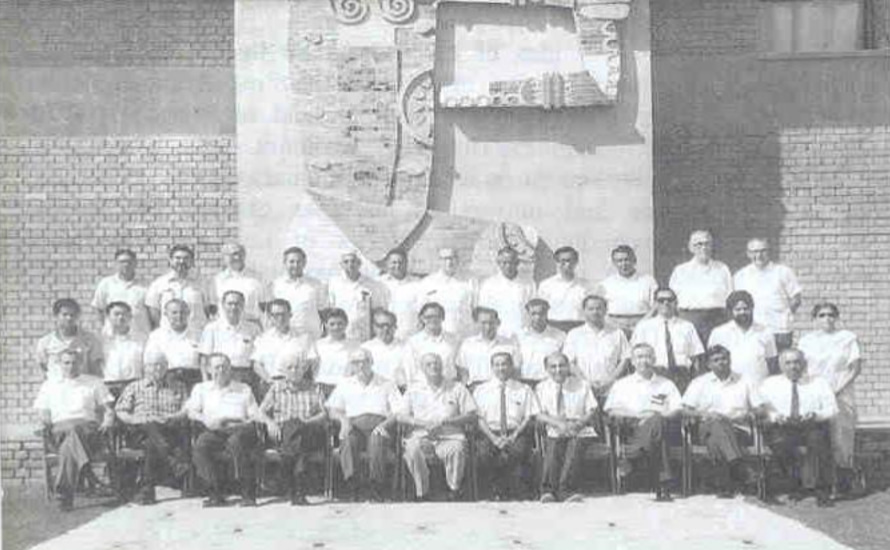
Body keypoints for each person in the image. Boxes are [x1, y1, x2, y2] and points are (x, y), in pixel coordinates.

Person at [33, 349, 115, 511]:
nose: (71, 366)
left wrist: (108, 419)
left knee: (70, 441)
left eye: (74, 362)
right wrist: (45, 422)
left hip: (88, 430)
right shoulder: (50, 385)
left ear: (81, 363)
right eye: (66, 362)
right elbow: (43, 412)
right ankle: (88, 474)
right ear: (59, 364)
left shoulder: (94, 382)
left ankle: (64, 496)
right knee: (70, 432)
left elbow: (108, 409)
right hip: (59, 430)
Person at [754, 349, 838, 506]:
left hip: (811, 425)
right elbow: (760, 408)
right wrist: (774, 416)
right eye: (788, 363)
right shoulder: (769, 384)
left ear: (804, 364)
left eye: (797, 362)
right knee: (780, 443)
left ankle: (821, 491)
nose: (793, 366)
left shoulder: (819, 383)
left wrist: (816, 414)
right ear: (781, 366)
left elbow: (832, 409)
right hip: (782, 426)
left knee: (818, 441)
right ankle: (793, 487)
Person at [798, 302, 862, 495]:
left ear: (837, 317)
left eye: (831, 315)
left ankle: (844, 480)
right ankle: (820, 483)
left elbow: (855, 368)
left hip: (841, 393)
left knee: (841, 437)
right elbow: (801, 369)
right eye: (822, 315)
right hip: (816, 394)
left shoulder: (847, 338)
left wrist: (837, 389)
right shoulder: (806, 341)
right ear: (814, 319)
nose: (827, 319)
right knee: (819, 436)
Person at [604, 343, 682, 502]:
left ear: (654, 359)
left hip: (663, 425)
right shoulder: (622, 384)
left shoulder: (666, 384)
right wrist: (638, 416)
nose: (644, 361)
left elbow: (677, 408)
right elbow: (611, 410)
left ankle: (632, 457)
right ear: (632, 361)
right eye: (639, 357)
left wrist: (658, 416)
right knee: (658, 433)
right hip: (632, 428)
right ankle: (663, 485)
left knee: (657, 422)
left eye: (647, 356)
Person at [398, 353, 478, 501]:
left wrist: (448, 422)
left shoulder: (457, 388)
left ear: (442, 366)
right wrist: (423, 424)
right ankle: (422, 492)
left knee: (457, 449)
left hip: (449, 435)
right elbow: (401, 416)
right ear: (422, 369)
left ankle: (454, 490)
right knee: (412, 449)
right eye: (429, 364)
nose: (434, 366)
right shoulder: (414, 389)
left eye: (437, 363)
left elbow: (472, 414)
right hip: (421, 434)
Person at [187, 353, 263, 507]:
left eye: (224, 367)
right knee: (201, 445)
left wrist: (246, 422)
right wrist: (206, 420)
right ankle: (215, 493)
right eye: (216, 367)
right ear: (209, 369)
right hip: (215, 429)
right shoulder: (201, 388)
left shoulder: (243, 388)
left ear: (231, 369)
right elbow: (192, 412)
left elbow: (254, 413)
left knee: (236, 442)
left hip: (240, 428)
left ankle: (248, 495)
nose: (220, 370)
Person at [326, 349, 402, 501]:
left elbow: (398, 412)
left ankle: (376, 487)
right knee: (347, 439)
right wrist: (343, 421)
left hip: (380, 424)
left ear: (371, 362)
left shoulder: (386, 383)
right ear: (351, 365)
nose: (361, 365)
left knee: (377, 438)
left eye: (364, 361)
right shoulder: (345, 384)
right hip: (353, 425)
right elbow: (332, 410)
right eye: (356, 362)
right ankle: (352, 485)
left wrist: (385, 425)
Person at [114, 353, 190, 505]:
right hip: (139, 430)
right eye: (153, 365)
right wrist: (135, 420)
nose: (157, 368)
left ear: (167, 367)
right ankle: (173, 462)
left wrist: (173, 417)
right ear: (145, 368)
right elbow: (121, 410)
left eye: (161, 365)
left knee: (151, 444)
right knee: (150, 426)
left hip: (168, 428)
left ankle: (147, 492)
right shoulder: (134, 387)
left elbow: (187, 409)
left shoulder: (179, 387)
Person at [682, 345, 756, 497]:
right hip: (706, 427)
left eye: (724, 359)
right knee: (716, 422)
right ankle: (739, 466)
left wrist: (746, 414)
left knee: (715, 441)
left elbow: (759, 408)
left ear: (730, 360)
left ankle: (725, 484)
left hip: (738, 428)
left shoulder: (745, 380)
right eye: (716, 360)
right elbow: (684, 409)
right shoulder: (699, 382)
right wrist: (705, 414)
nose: (721, 362)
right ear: (709, 364)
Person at [259, 353, 328, 505]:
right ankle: (299, 491)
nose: (294, 370)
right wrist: (270, 423)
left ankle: (286, 475)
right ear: (283, 371)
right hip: (283, 432)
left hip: (310, 429)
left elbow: (324, 414)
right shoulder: (276, 388)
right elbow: (260, 412)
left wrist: (307, 422)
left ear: (304, 369)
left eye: (298, 367)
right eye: (290, 367)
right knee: (296, 438)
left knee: (297, 427)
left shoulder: (314, 388)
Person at [473, 352, 540, 500]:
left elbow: (529, 416)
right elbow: (478, 419)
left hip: (515, 431)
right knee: (484, 454)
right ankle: (492, 492)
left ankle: (513, 490)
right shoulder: (481, 390)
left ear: (511, 366)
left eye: (504, 364)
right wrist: (493, 438)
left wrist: (514, 435)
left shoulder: (524, 389)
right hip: (489, 432)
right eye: (497, 364)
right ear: (492, 367)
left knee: (519, 450)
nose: (501, 368)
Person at [535, 352, 598, 503]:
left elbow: (592, 409)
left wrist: (577, 424)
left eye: (562, 365)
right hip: (555, 425)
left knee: (575, 443)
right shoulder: (541, 387)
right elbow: (538, 414)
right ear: (546, 369)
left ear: (568, 366)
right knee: (554, 442)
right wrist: (558, 424)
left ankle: (565, 490)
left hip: (580, 427)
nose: (558, 370)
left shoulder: (582, 385)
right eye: (553, 366)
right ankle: (548, 490)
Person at [733, 239, 802, 351]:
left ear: (769, 252)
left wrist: (786, 314)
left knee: (780, 365)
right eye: (754, 252)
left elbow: (796, 298)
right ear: (748, 254)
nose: (759, 255)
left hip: (780, 330)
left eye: (763, 251)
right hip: (753, 330)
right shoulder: (740, 276)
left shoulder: (783, 272)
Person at [631, 288, 704, 393]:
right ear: (655, 304)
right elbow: (635, 356)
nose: (666, 303)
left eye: (670, 300)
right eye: (661, 300)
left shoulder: (687, 326)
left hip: (682, 375)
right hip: (655, 374)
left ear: (676, 302)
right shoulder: (643, 327)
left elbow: (695, 357)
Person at [668, 230, 733, 345]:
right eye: (699, 244)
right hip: (689, 320)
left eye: (707, 244)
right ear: (690, 248)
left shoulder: (722, 269)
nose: (704, 248)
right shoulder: (681, 271)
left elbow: (730, 297)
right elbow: (672, 300)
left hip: (717, 320)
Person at [563, 295, 630, 400]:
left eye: (599, 308)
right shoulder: (574, 334)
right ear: (584, 311)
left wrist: (610, 381)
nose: (595, 312)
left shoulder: (617, 333)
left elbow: (625, 359)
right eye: (591, 309)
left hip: (611, 389)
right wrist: (586, 382)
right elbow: (569, 362)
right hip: (583, 388)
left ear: (605, 310)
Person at [708, 290, 778, 387]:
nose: (742, 312)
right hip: (730, 388)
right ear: (731, 311)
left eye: (746, 308)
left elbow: (772, 363)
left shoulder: (765, 332)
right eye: (738, 309)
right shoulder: (719, 333)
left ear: (752, 309)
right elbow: (712, 363)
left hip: (760, 386)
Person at [199, 290, 261, 393]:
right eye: (230, 304)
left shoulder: (253, 329)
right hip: (220, 376)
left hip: (246, 377)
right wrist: (206, 383)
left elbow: (257, 360)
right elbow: (204, 360)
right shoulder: (212, 328)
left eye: (237, 304)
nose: (233, 307)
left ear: (243, 305)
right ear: (223, 305)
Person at [251, 298, 318, 390]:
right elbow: (256, 365)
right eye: (276, 315)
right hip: (270, 386)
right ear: (270, 317)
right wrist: (270, 381)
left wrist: (294, 378)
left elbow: (310, 362)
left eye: (283, 314)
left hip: (297, 386)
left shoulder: (304, 338)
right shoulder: (263, 339)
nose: (280, 318)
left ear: (290, 315)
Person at [597, 245, 658, 338]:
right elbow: (600, 308)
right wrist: (614, 326)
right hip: (614, 327)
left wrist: (641, 325)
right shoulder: (606, 283)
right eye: (619, 261)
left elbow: (655, 306)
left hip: (642, 325)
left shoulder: (648, 281)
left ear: (634, 261)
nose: (624, 264)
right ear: (614, 263)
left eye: (627, 260)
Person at [327, 251, 389, 342]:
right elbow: (331, 310)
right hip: (341, 334)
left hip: (363, 336)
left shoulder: (372, 285)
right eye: (346, 262)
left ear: (359, 263)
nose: (350, 264)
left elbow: (378, 311)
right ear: (341, 265)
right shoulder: (334, 284)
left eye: (353, 261)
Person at [36, 298, 104, 381]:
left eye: (72, 315)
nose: (69, 318)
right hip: (56, 388)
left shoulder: (90, 340)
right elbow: (44, 368)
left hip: (81, 388)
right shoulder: (45, 342)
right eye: (65, 314)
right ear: (56, 316)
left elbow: (96, 369)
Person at [145, 244, 209, 332]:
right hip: (168, 336)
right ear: (170, 260)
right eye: (177, 258)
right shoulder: (159, 284)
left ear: (192, 261)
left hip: (196, 335)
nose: (182, 261)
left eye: (186, 258)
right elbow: (154, 313)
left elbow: (208, 310)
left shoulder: (203, 283)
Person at [269, 246, 328, 339]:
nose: (295, 265)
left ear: (304, 263)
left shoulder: (316, 284)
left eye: (299, 261)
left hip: (311, 336)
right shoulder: (275, 285)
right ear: (284, 263)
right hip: (284, 338)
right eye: (291, 262)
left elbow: (324, 312)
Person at [91, 248, 151, 340]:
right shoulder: (106, 284)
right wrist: (103, 328)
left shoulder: (145, 286)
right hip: (112, 338)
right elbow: (98, 308)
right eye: (122, 262)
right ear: (115, 264)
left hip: (139, 337)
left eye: (129, 262)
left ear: (135, 263)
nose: (126, 265)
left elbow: (152, 313)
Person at [417, 248, 478, 338]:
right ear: (439, 261)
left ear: (457, 260)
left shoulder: (470, 281)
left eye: (452, 258)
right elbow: (421, 312)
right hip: (437, 335)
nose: (449, 262)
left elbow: (476, 309)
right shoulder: (428, 282)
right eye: (445, 259)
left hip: (463, 334)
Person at [143, 299, 202, 389]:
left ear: (188, 313)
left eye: (182, 312)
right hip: (167, 381)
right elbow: (149, 363)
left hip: (194, 380)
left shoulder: (199, 335)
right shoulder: (156, 336)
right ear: (166, 314)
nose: (179, 316)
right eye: (174, 313)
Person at [478, 247, 536, 338]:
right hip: (499, 336)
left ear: (517, 263)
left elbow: (534, 312)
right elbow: (484, 315)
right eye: (504, 263)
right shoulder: (489, 285)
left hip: (523, 335)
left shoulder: (529, 284)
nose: (508, 266)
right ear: (499, 263)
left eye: (511, 262)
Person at [456, 307, 520, 387]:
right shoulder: (467, 344)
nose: (488, 327)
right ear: (477, 323)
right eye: (483, 323)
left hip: (500, 388)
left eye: (491, 323)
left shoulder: (508, 344)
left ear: (498, 323)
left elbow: (515, 371)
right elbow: (463, 371)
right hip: (474, 387)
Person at [404, 302, 460, 386]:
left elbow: (460, 368)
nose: (433, 320)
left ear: (443, 318)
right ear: (421, 318)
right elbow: (410, 371)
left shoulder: (453, 340)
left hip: (449, 388)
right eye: (428, 317)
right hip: (422, 388)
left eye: (437, 316)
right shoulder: (413, 342)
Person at [210, 243, 266, 326]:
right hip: (225, 328)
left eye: (240, 254)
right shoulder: (217, 280)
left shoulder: (257, 278)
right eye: (233, 254)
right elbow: (213, 309)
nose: (237, 257)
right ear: (225, 258)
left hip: (250, 326)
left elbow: (264, 307)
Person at [537, 246, 591, 332]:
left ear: (576, 262)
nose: (567, 264)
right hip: (553, 326)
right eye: (563, 261)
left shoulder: (586, 285)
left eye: (570, 260)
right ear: (556, 262)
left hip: (578, 327)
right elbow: (540, 310)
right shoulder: (546, 285)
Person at [101, 302, 145, 398]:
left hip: (135, 385)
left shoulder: (141, 339)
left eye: (124, 314)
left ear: (130, 316)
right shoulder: (101, 339)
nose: (120, 317)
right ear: (108, 317)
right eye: (116, 314)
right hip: (108, 386)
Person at [516, 299, 566, 383]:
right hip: (525, 381)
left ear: (546, 314)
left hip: (549, 383)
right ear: (528, 315)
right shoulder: (519, 336)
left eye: (541, 313)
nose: (537, 317)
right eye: (533, 314)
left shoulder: (560, 335)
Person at [314, 308, 360, 391]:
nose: (336, 327)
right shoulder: (318, 345)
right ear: (325, 325)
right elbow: (313, 369)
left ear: (346, 324)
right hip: (323, 387)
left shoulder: (355, 345)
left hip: (346, 387)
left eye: (340, 323)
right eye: (332, 324)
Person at [380, 249, 420, 341]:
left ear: (406, 263)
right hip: (384, 337)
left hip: (409, 337)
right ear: (387, 264)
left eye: (400, 262)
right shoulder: (379, 284)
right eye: (393, 262)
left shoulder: (417, 284)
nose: (397, 266)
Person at [361, 309, 408, 386]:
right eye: (381, 326)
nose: (385, 329)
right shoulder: (365, 348)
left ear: (395, 327)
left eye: (389, 325)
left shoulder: (406, 347)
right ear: (374, 327)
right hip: (375, 391)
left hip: (399, 390)